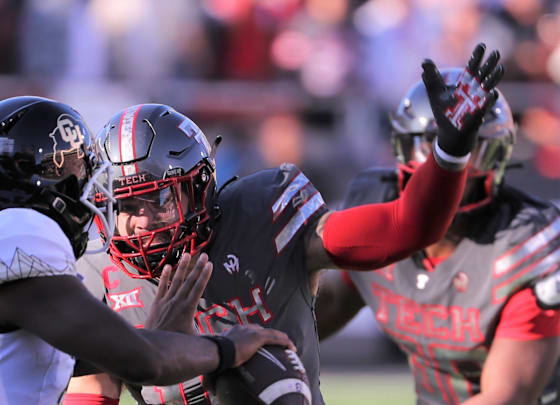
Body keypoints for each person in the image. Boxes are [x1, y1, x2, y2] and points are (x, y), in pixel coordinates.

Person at [65, 44, 504, 405]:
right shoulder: (98, 270)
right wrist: (154, 346)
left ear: (198, 188)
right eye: (124, 203)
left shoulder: (264, 215)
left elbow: (405, 227)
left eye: (158, 199)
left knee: (255, 362)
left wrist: (449, 154)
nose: (140, 221)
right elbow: (90, 394)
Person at [0, 96, 295, 405]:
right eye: (75, 172)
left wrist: (154, 338)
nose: (88, 192)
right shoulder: (21, 232)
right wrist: (228, 347)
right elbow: (141, 360)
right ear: (41, 180)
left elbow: (112, 355)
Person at [314, 68, 560, 404]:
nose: (454, 179)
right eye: (432, 143)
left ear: (496, 155)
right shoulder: (374, 208)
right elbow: (314, 319)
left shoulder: (527, 246)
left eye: (471, 145)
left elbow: (508, 397)